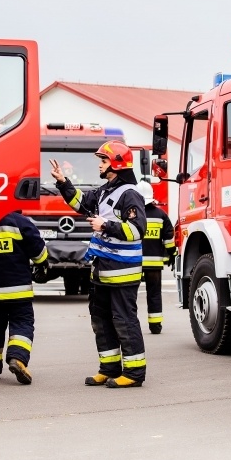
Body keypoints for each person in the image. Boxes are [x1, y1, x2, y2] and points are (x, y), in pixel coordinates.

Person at [49, 140, 147, 388]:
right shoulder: (105, 191)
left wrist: (105, 225)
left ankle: (134, 373)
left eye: (103, 161)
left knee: (124, 321)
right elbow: (80, 202)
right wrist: (63, 182)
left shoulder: (130, 194)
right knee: (101, 321)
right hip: (102, 271)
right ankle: (109, 368)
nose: (100, 165)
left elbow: (137, 230)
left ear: (115, 164)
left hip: (122, 273)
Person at [0, 210, 49, 384]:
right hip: (18, 290)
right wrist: (42, 264)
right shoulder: (20, 222)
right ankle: (17, 358)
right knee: (22, 322)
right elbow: (39, 251)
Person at [135, 180, 176, 335]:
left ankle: (131, 324)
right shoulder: (161, 215)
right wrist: (172, 255)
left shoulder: (131, 214)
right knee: (154, 294)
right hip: (154, 264)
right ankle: (155, 325)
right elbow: (169, 240)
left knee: (129, 295)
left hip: (134, 262)